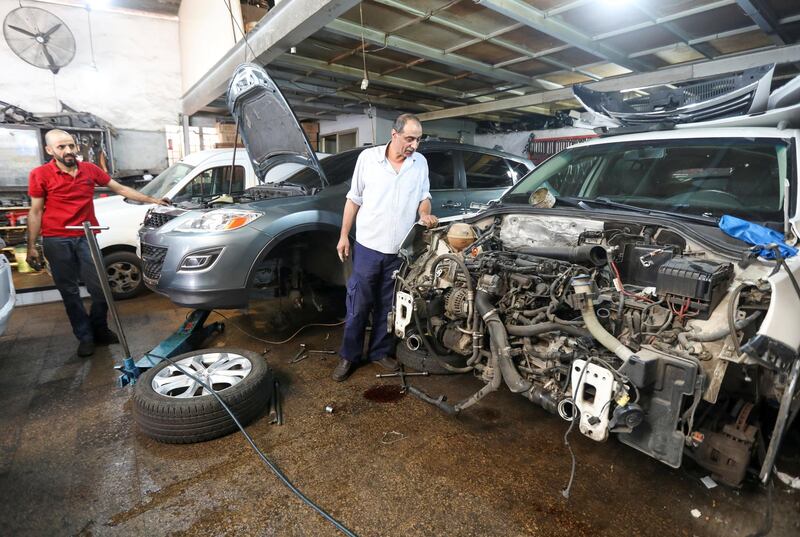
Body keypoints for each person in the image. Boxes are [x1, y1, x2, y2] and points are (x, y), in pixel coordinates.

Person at [26, 129, 168, 357]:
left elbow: (120, 188)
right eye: (62, 147)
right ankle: (85, 336)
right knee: (70, 292)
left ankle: (100, 329)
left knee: (100, 287)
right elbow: (35, 211)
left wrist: (152, 200)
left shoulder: (89, 170)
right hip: (57, 238)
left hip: (86, 237)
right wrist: (31, 245)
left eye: (71, 146)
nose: (69, 151)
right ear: (50, 150)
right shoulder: (40, 174)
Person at [333, 114, 438, 381]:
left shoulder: (419, 163)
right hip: (368, 247)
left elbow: (424, 197)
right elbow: (353, 199)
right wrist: (344, 235)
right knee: (358, 304)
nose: (414, 145)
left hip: (400, 251)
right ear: (394, 135)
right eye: (409, 139)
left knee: (389, 305)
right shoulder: (368, 159)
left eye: (418, 140)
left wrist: (425, 213)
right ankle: (349, 356)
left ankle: (379, 352)